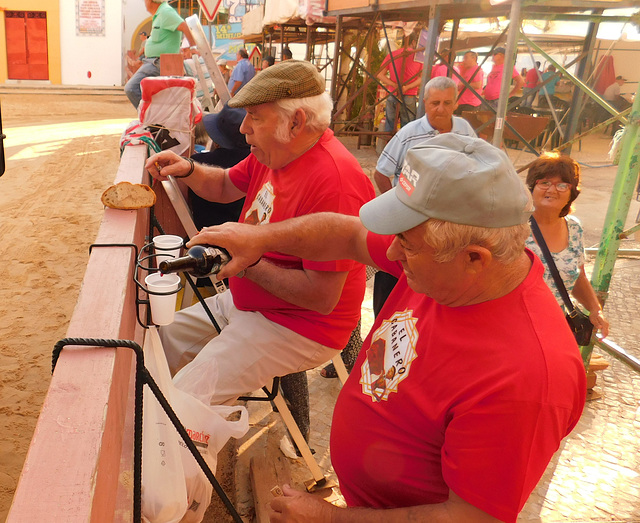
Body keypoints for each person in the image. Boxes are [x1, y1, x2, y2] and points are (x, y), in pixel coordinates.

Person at [197, 133, 587, 522]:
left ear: (474, 258)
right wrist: (260, 238)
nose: (392, 252)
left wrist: (329, 519)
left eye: (408, 244)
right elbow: (349, 233)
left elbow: (470, 516)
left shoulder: (529, 376)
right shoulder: (448, 264)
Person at [145, 60, 375, 408]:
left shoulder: (334, 182)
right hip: (248, 299)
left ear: (296, 121)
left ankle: (180, 446)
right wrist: (188, 169)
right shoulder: (276, 151)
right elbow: (224, 185)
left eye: (255, 116)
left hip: (299, 326)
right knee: (161, 340)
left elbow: (320, 298)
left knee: (183, 403)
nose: (244, 129)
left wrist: (246, 261)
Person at [372, 76, 477, 316]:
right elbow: (381, 173)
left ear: (456, 103)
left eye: (447, 103)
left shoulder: (464, 129)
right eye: (435, 103)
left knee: (434, 279)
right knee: (397, 271)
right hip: (412, 220)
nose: (441, 109)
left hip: (447, 221)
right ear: (425, 103)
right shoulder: (409, 133)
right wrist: (399, 212)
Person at [524, 152, 609, 337]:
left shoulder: (574, 228)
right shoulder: (513, 228)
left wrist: (595, 309)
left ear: (571, 193)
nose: (552, 190)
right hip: (515, 326)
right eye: (544, 182)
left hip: (553, 327)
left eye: (562, 185)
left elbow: (578, 278)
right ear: (532, 187)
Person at [124, 0, 197, 110]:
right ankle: (153, 117)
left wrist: (193, 48)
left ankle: (151, 117)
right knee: (147, 92)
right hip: (153, 62)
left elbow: (185, 26)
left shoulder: (165, 12)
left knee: (131, 88)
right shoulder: (160, 14)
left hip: (158, 63)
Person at [188, 104, 250, 230]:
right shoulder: (259, 163)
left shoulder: (198, 162)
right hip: (246, 235)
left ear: (217, 141)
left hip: (208, 236)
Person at [376, 41, 423, 132]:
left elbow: (380, 74)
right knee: (408, 125)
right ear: (414, 43)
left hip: (393, 92)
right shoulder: (418, 57)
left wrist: (394, 84)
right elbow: (422, 78)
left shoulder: (392, 55)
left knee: (390, 123)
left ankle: (389, 144)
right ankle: (405, 145)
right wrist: (407, 87)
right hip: (409, 94)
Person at [454, 50, 484, 115]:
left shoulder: (477, 70)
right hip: (462, 102)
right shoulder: (467, 70)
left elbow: (478, 85)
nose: (464, 60)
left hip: (471, 104)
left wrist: (462, 83)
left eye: (466, 58)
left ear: (474, 58)